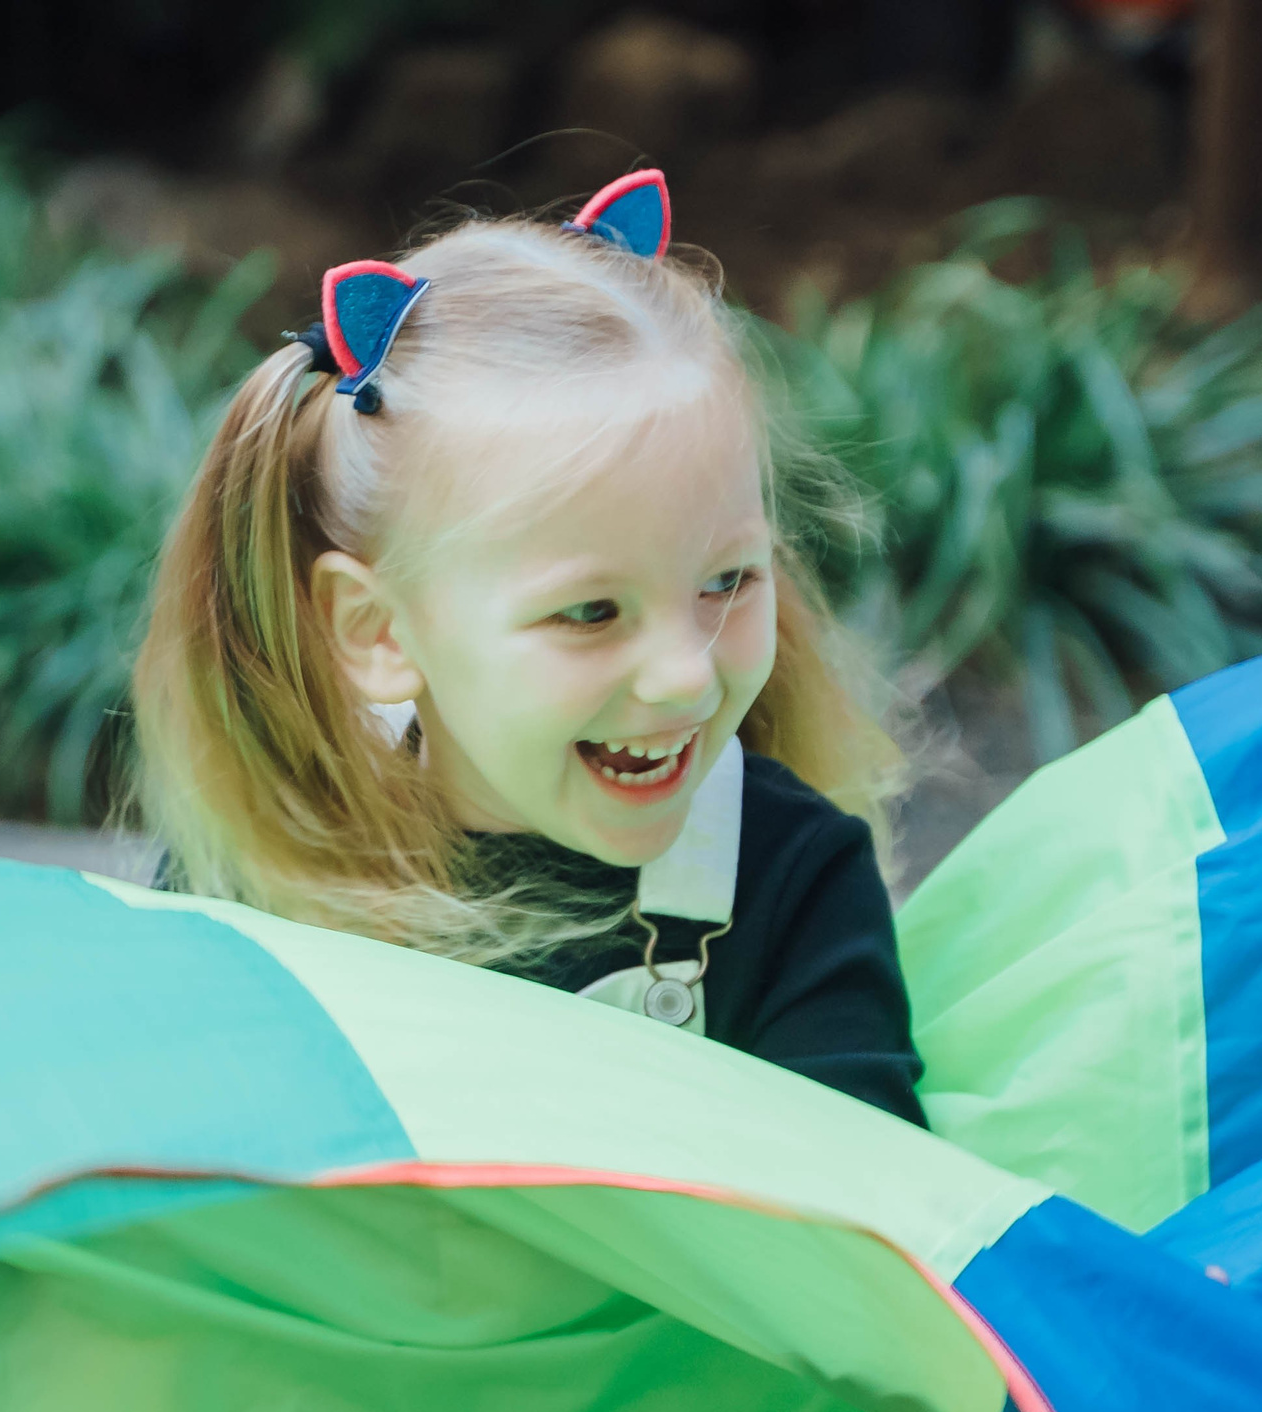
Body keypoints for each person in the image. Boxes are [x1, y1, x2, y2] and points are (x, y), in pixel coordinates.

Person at [133, 172, 926, 1124]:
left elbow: (873, 1232)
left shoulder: (791, 881)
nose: (685, 676)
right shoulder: (262, 880)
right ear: (377, 630)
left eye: (728, 582)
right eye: (591, 612)